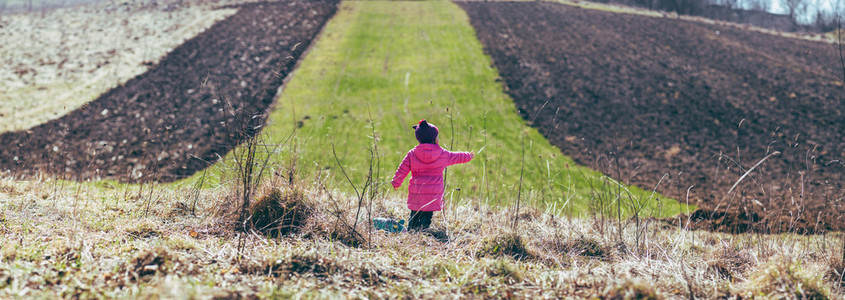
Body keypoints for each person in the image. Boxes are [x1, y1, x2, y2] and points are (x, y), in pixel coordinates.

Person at [391, 119, 474, 231]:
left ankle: (411, 232)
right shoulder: (442, 154)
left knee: (414, 214)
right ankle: (423, 232)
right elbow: (456, 156)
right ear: (434, 139)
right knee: (427, 216)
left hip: (417, 191)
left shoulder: (412, 154)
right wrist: (468, 156)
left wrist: (396, 182)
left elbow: (402, 169)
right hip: (432, 194)